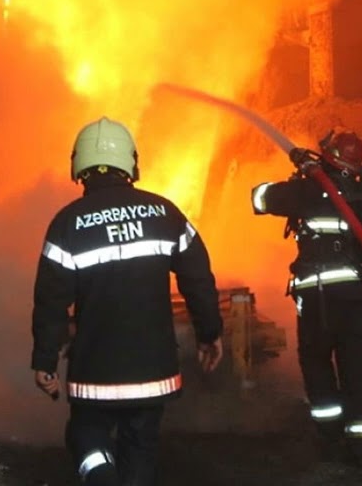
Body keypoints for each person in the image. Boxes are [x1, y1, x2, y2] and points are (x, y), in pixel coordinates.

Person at [31, 116, 225, 486]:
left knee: (85, 434)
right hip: (154, 373)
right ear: (131, 163)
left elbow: (50, 301)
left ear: (79, 165)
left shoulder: (66, 224)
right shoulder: (164, 213)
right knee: (141, 445)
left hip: (95, 373)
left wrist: (44, 360)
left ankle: (101, 475)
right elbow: (198, 279)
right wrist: (210, 333)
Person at [250, 129, 362, 466]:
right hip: (360, 299)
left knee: (315, 361)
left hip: (320, 299)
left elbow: (259, 198)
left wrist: (300, 171)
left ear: (326, 155)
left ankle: (330, 434)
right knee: (358, 366)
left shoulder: (311, 188)